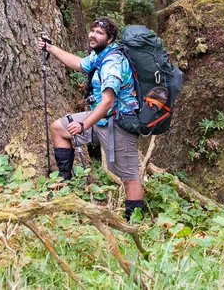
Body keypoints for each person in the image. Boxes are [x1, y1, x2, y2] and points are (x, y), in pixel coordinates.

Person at [38, 17, 145, 221]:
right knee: (59, 128)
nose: (93, 35)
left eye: (99, 33)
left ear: (110, 38)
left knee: (129, 176)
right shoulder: (99, 56)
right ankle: (64, 182)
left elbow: (107, 100)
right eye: (92, 30)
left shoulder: (113, 62)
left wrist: (83, 124)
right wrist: (50, 48)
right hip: (101, 119)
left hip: (119, 122)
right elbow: (79, 64)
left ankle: (135, 222)